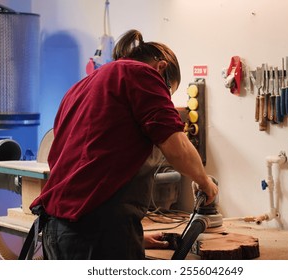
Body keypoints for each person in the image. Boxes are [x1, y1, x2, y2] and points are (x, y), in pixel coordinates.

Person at [29, 29, 218, 260]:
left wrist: (132, 237)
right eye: (168, 91)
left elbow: (92, 155)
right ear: (161, 68)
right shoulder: (142, 74)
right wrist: (205, 182)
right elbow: (175, 146)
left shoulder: (79, 88)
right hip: (94, 230)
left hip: (58, 229)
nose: (165, 97)